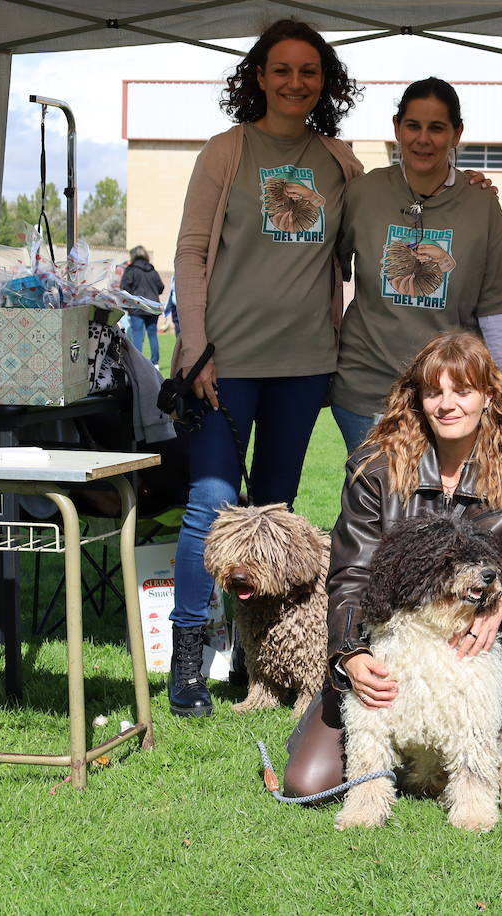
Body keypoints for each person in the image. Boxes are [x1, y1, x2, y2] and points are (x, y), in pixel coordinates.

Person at [284, 332, 502, 814]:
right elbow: (350, 575)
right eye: (434, 392)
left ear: (487, 397)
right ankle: (396, 745)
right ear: (417, 399)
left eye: (461, 391)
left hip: (471, 637)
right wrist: (353, 655)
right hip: (391, 638)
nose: (447, 405)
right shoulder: (375, 468)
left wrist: (501, 599)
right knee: (306, 783)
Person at [167, 19, 364, 717]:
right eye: (281, 70)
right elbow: (190, 254)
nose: (295, 83)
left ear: (325, 82)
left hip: (305, 363)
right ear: (258, 76)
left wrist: (470, 194)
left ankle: (259, 661)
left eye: (309, 71)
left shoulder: (341, 162)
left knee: (275, 517)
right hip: (223, 362)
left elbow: (375, 233)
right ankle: (186, 660)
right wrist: (194, 348)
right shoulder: (227, 152)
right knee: (211, 506)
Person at [333, 77, 502, 451]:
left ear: (457, 134)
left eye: (437, 128)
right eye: (413, 126)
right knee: (372, 502)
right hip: (365, 389)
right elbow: (325, 271)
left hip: (449, 394)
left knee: (435, 504)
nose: (424, 139)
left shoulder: (481, 204)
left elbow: (497, 303)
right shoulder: (364, 192)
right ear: (396, 128)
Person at [120, 245, 164, 366]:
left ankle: (138, 363)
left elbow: (124, 288)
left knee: (138, 336)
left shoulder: (131, 270)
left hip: (137, 308)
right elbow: (161, 287)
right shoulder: (152, 270)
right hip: (152, 307)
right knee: (153, 335)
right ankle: (155, 364)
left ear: (133, 256)